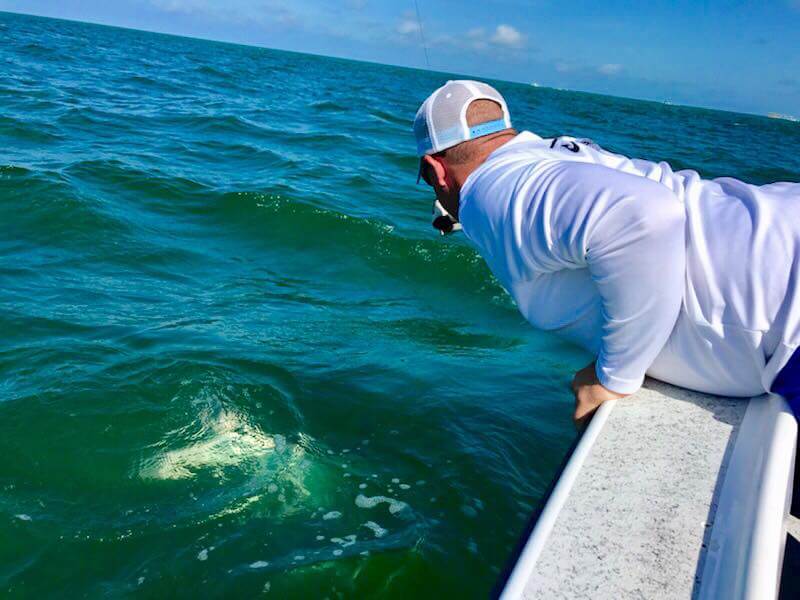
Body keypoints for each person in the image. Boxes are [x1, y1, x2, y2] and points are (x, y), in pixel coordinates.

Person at [413, 80, 800, 426]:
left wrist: (611, 378)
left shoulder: (486, 189)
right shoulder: (555, 154)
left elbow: (640, 216)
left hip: (786, 316)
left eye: (428, 180)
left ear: (437, 170)